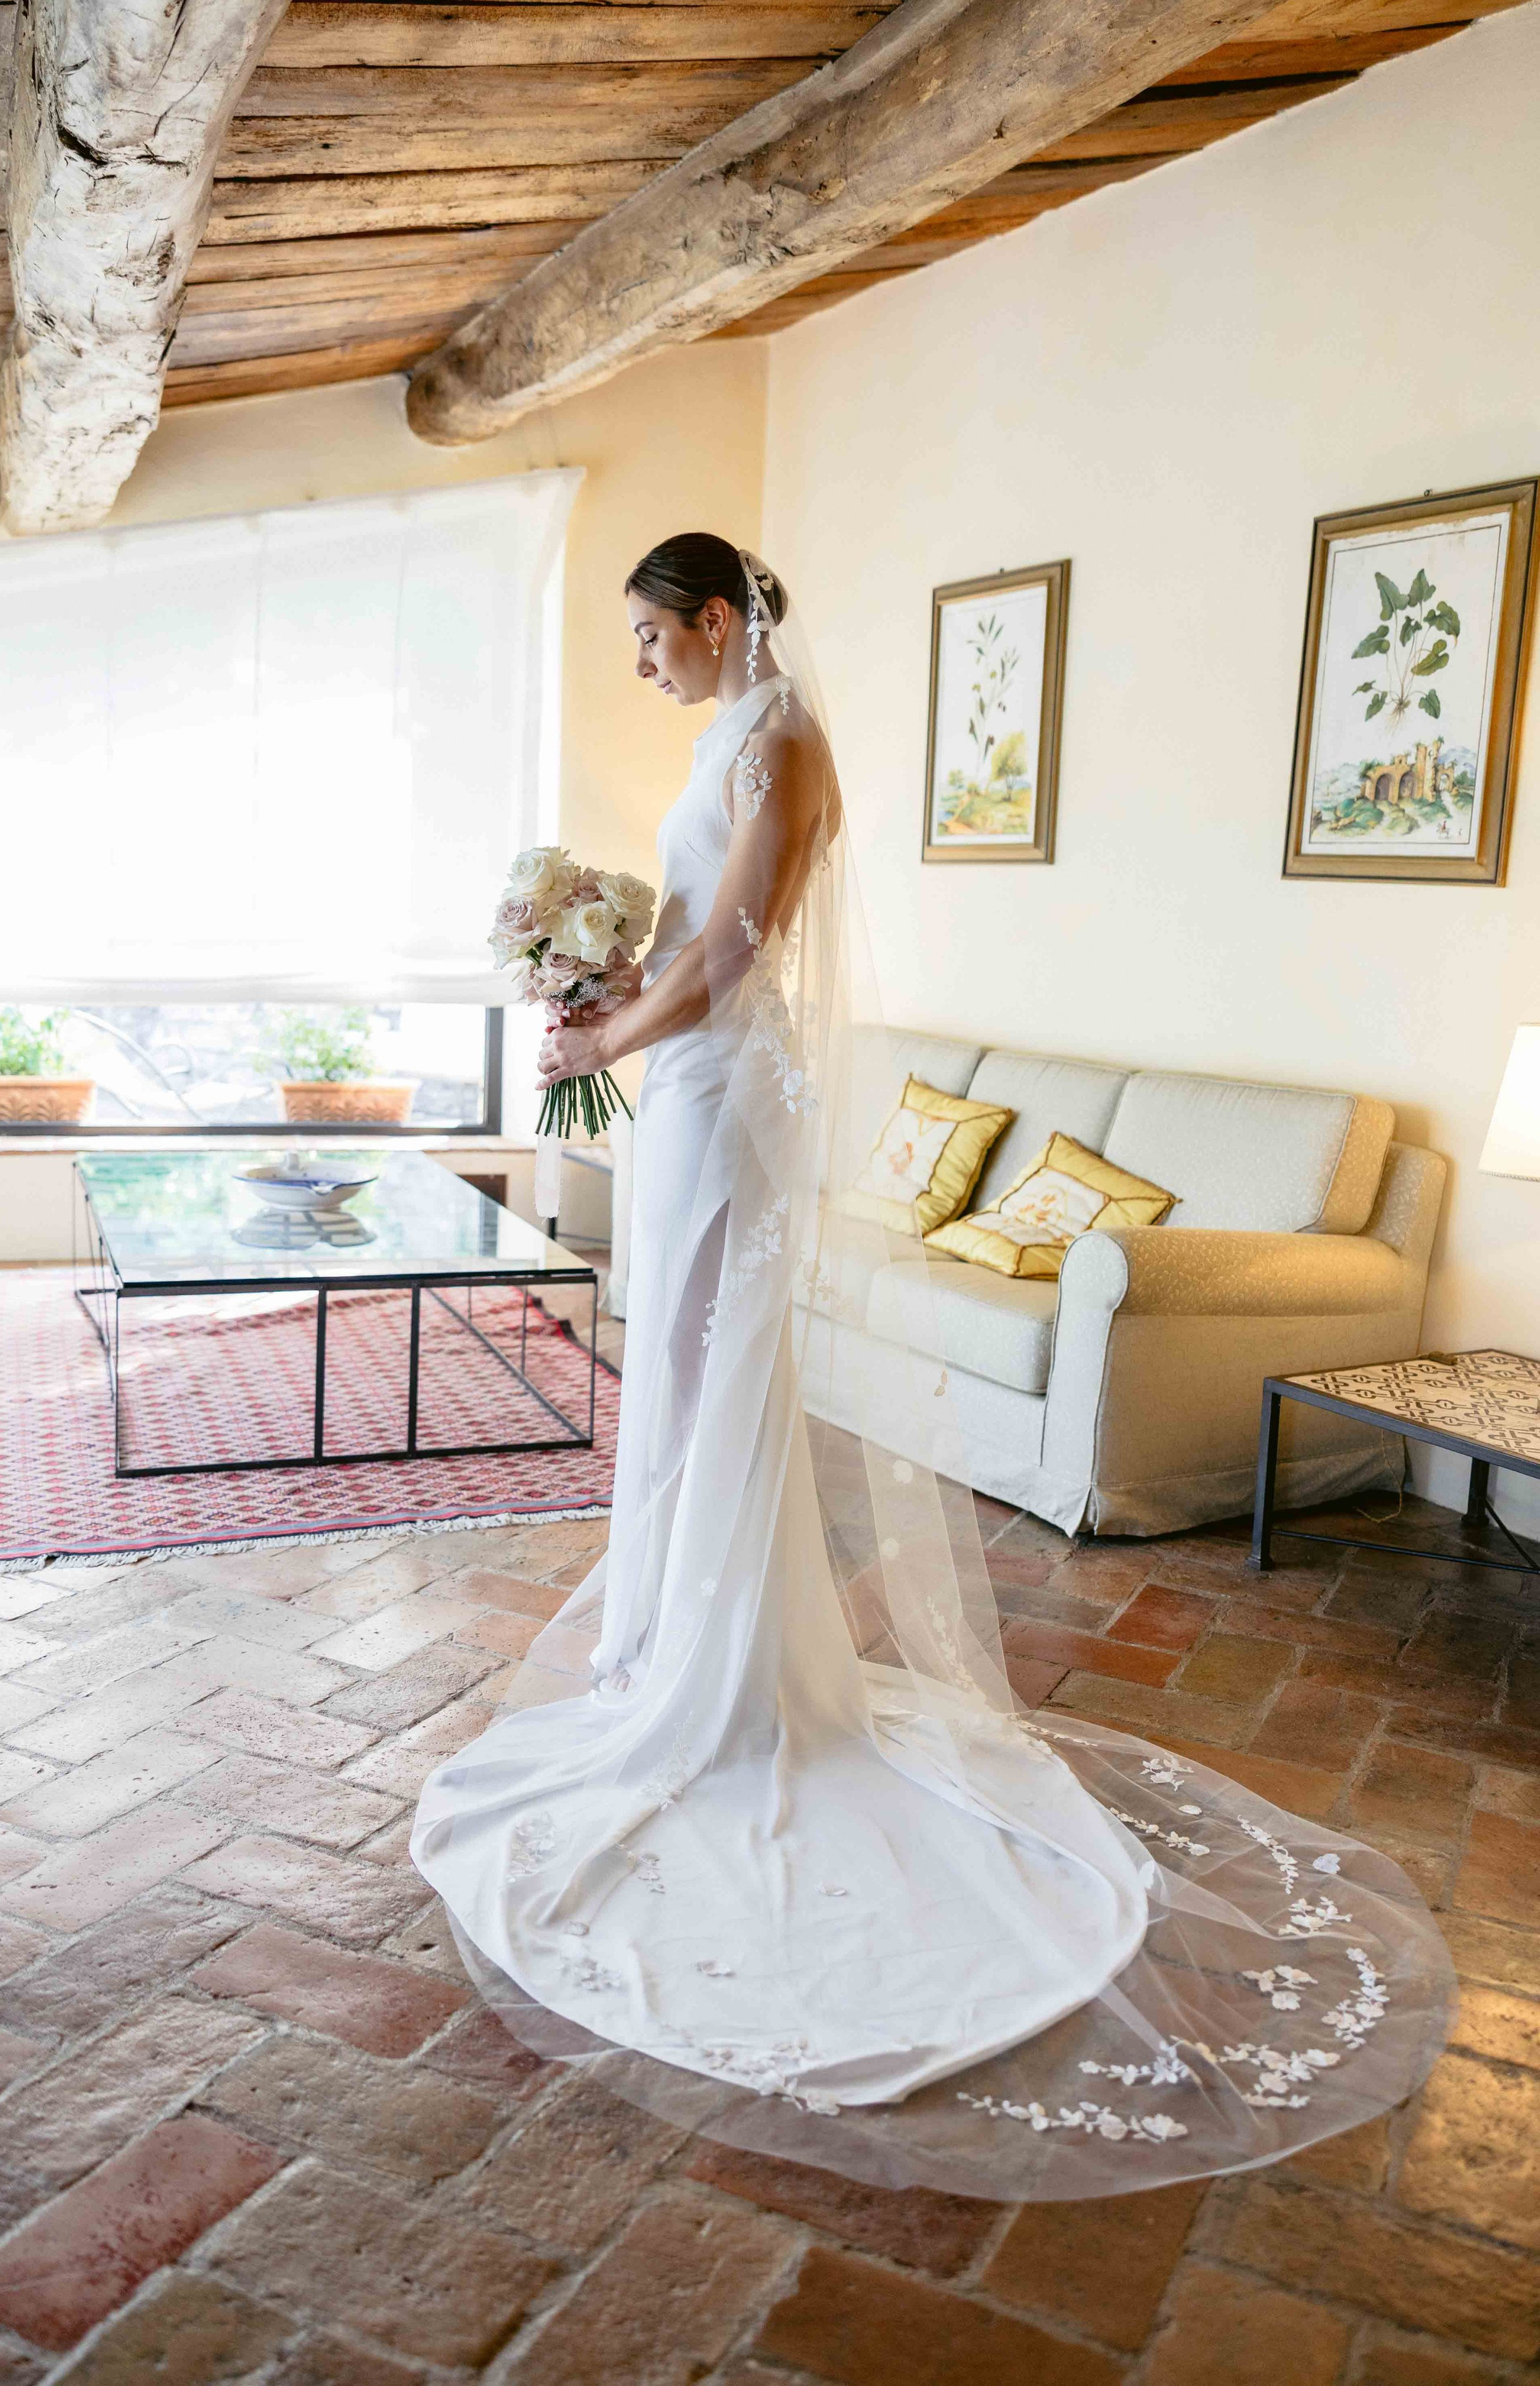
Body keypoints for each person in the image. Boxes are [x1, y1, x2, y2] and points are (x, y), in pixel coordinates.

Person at [412, 533, 1453, 2198]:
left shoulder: (787, 744)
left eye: (644, 639)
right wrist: (602, 975)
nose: (640, 666)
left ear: (708, 620)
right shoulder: (715, 742)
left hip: (724, 1100)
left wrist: (612, 1030)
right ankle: (671, 1649)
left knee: (707, 1368)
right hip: (680, 1091)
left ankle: (725, 1680)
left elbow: (744, 950)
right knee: (667, 1375)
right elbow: (690, 924)